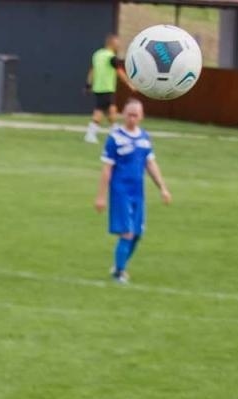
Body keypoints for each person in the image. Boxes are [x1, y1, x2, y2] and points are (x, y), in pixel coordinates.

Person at [94, 98, 171, 284]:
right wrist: (101, 197)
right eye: (129, 114)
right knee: (127, 233)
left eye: (136, 115)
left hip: (138, 193)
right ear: (123, 114)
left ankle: (119, 266)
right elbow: (106, 169)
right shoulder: (115, 138)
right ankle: (119, 273)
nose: (132, 118)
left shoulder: (144, 138)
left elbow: (150, 164)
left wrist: (163, 188)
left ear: (141, 116)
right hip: (120, 192)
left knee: (137, 234)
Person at [85, 34, 129, 143]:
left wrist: (88, 85)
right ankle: (90, 134)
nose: (119, 46)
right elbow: (119, 72)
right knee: (99, 111)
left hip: (99, 87)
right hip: (107, 87)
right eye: (117, 43)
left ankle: (115, 131)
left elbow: (92, 71)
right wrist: (130, 84)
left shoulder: (97, 54)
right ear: (112, 43)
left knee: (112, 109)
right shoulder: (111, 57)